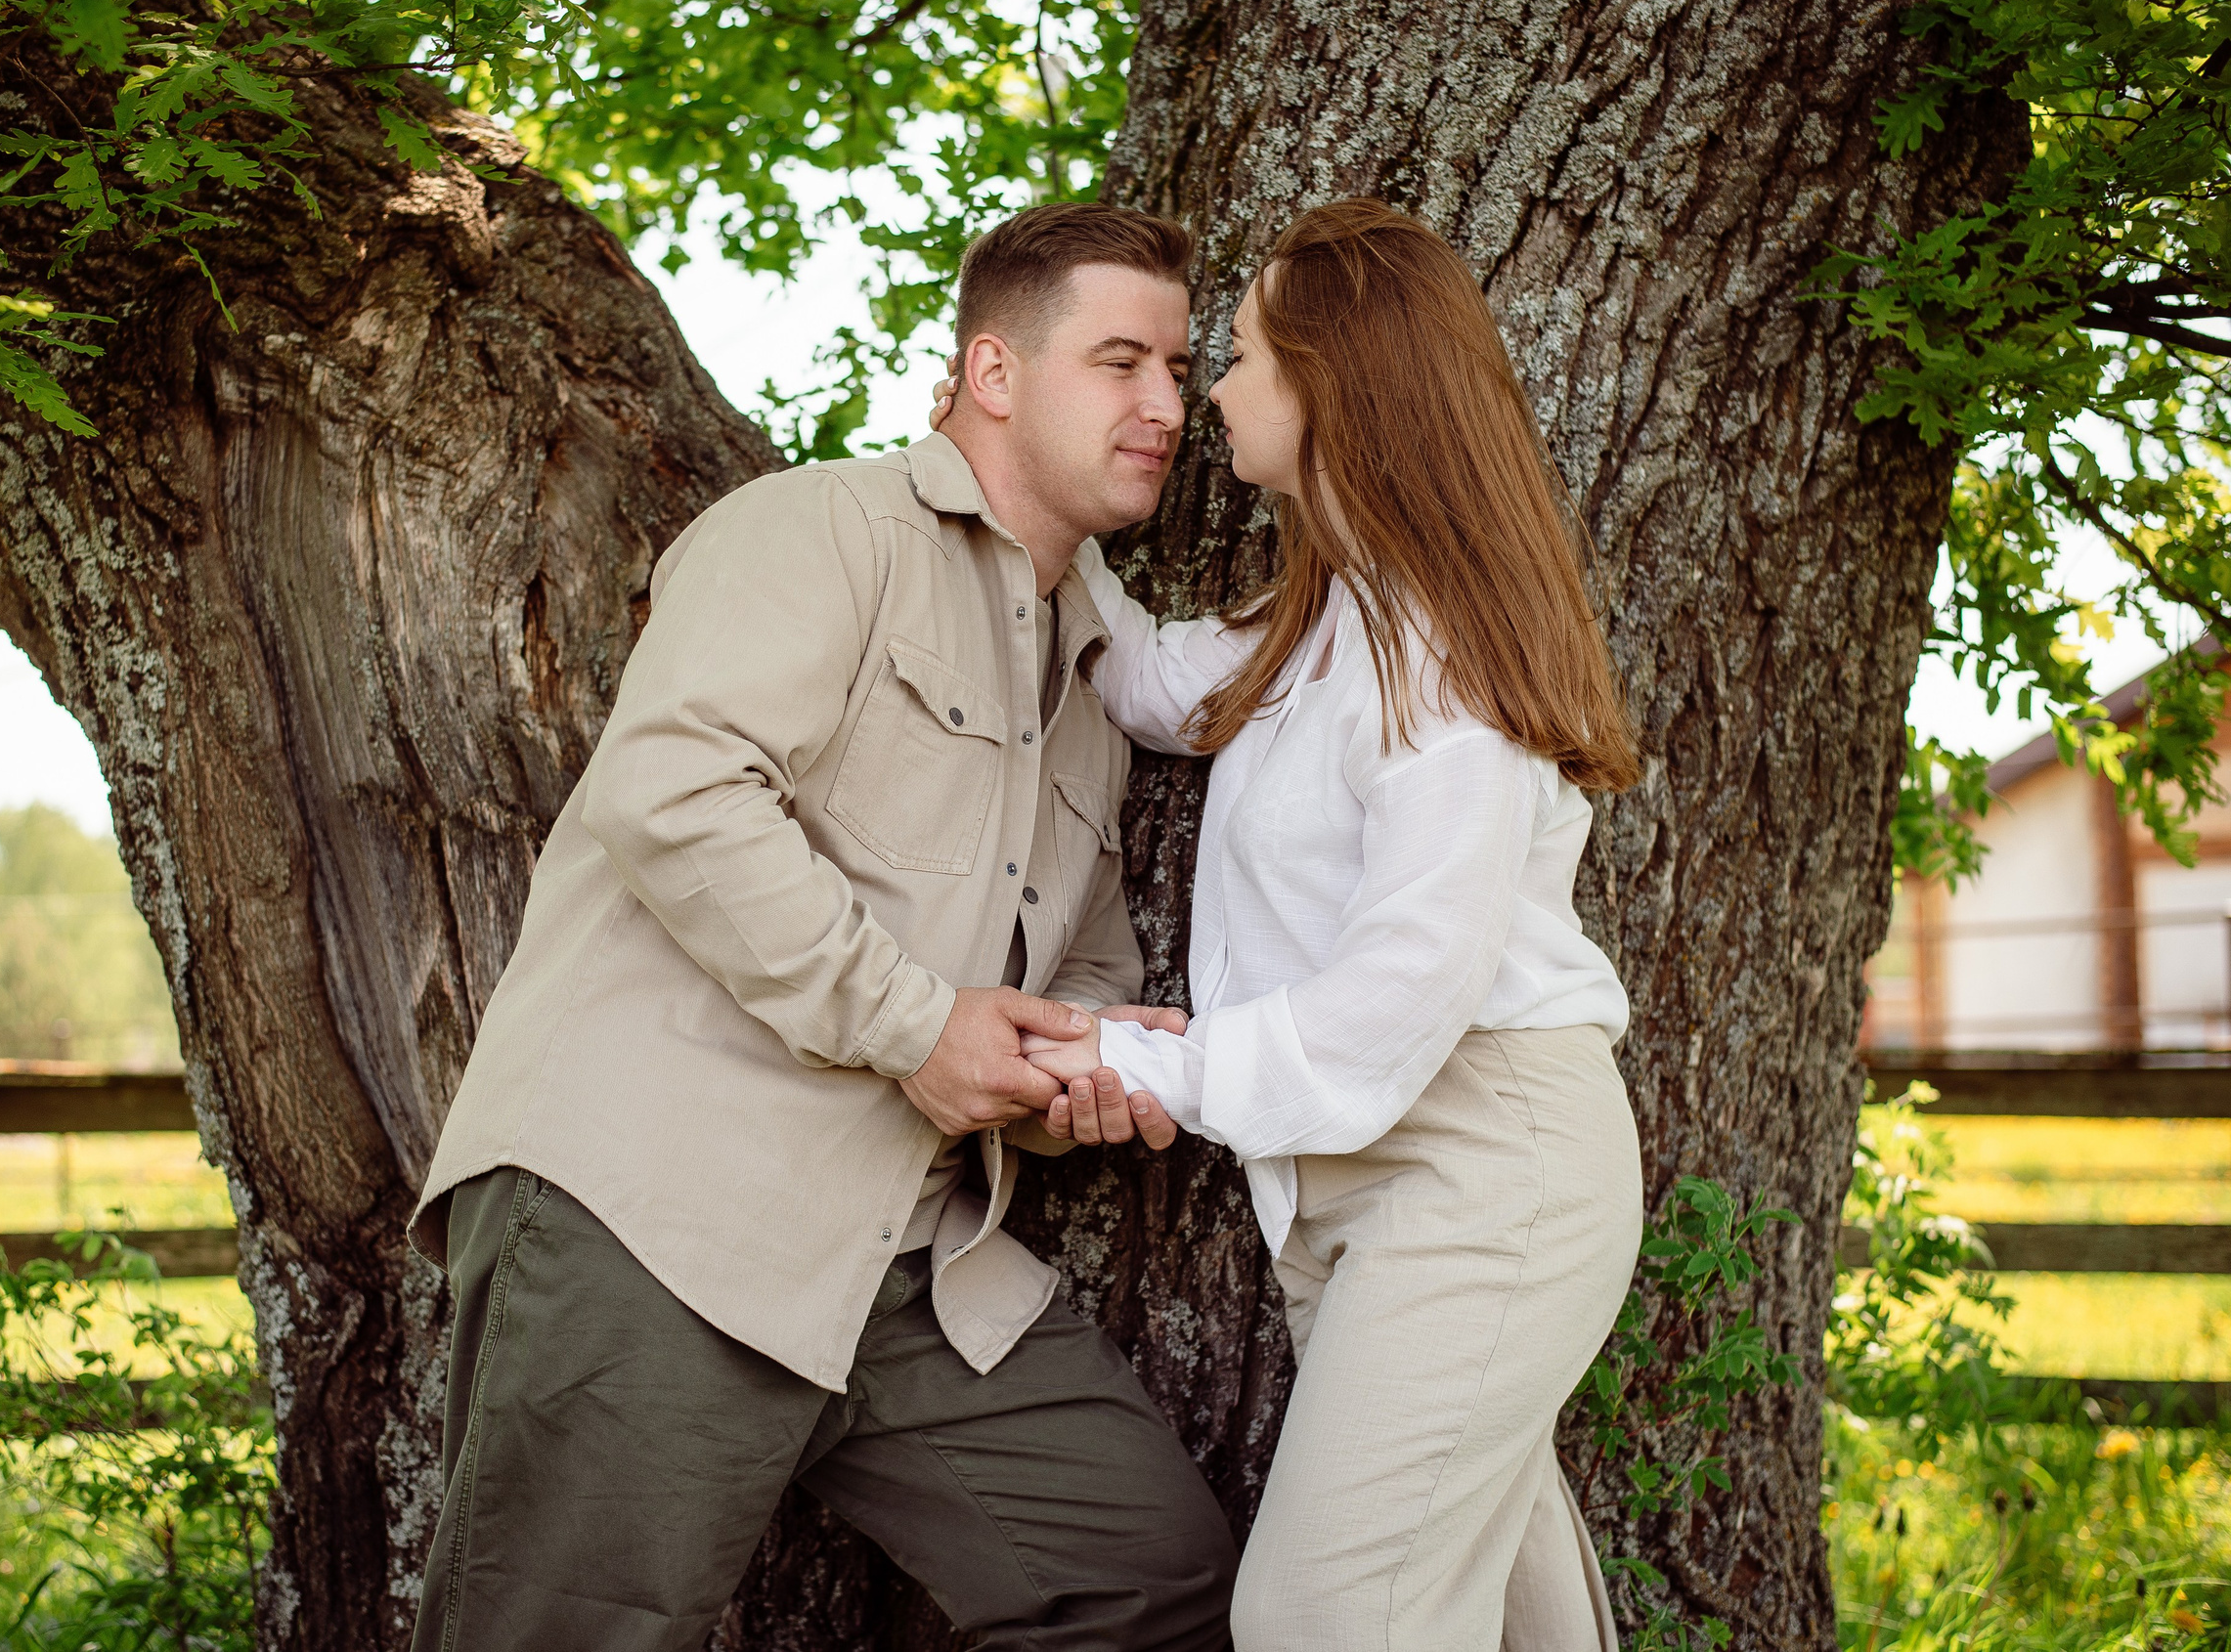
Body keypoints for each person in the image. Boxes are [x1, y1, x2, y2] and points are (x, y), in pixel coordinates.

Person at [404, 200, 1237, 1652]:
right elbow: (676, 790)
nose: (1166, 407)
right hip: (663, 1213)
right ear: (992, 371)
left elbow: (1079, 959)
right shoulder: (822, 530)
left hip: (912, 1263)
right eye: (1120, 362)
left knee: (1145, 1581)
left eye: (1176, 368)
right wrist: (920, 1030)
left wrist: (1078, 1068)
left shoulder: (1093, 675)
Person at [1006, 198, 1646, 1650]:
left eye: (1239, 356)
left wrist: (1136, 1057)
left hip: (1483, 1169)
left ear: (1331, 385)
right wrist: (1051, 502)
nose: (1213, 393)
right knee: (1508, 1616)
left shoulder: (1449, 664)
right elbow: (1149, 680)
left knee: (1326, 1614)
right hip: (1355, 1179)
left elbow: (1388, 1009)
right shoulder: (1325, 619)